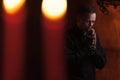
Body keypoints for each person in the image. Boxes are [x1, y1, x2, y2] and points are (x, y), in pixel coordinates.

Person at [65, 5, 106, 80]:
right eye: (88, 21)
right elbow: (67, 61)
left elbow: (101, 64)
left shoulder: (93, 36)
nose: (91, 25)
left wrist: (93, 50)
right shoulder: (68, 36)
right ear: (79, 20)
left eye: (93, 21)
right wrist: (86, 48)